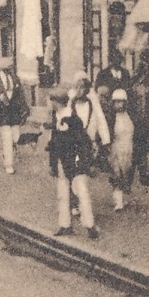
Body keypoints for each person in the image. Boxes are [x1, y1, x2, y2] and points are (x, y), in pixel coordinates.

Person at [47, 88, 100, 240]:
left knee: (81, 191)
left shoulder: (73, 119)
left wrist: (85, 161)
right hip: (61, 162)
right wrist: (52, 164)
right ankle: (65, 224)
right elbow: (53, 143)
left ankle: (90, 226)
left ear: (57, 102)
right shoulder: (56, 117)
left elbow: (83, 142)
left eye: (52, 101)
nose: (50, 104)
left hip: (75, 160)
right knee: (62, 194)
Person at [0, 56, 28, 174]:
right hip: (3, 113)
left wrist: (24, 107)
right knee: (7, 137)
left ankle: (7, 153)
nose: (10, 68)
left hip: (14, 112)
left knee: (16, 137)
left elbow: (20, 94)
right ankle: (9, 164)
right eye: (8, 66)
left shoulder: (15, 79)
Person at [106, 88, 135, 212]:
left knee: (126, 173)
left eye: (120, 102)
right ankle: (118, 202)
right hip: (116, 148)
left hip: (128, 148)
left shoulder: (131, 116)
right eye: (115, 102)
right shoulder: (111, 118)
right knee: (116, 174)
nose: (118, 105)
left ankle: (123, 197)